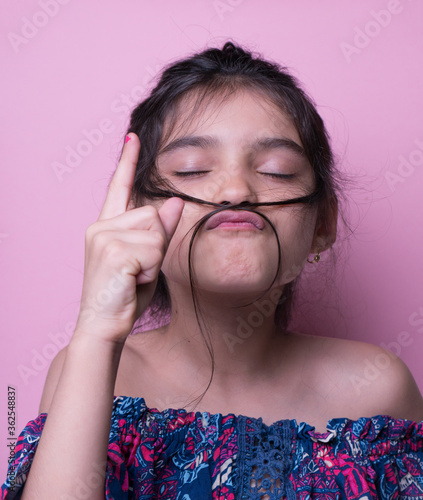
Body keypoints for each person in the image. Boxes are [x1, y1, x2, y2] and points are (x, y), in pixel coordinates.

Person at [3, 41, 423, 500]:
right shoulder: (90, 370)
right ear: (137, 215)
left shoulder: (377, 391)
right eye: (192, 169)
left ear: (322, 223)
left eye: (277, 171)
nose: (235, 191)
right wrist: (96, 330)